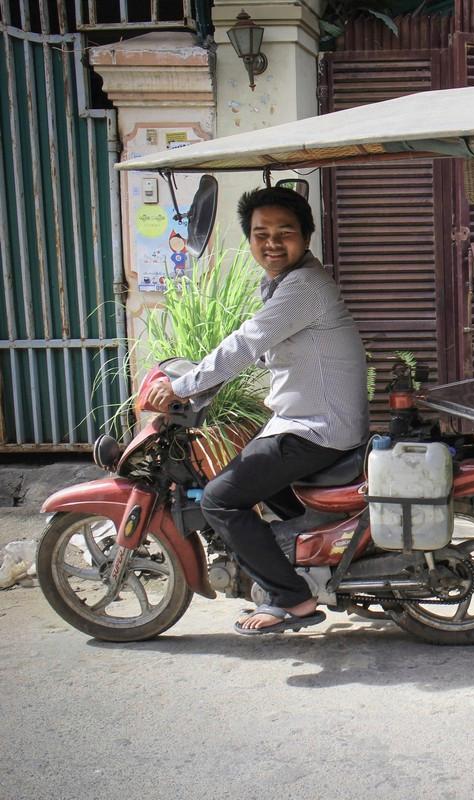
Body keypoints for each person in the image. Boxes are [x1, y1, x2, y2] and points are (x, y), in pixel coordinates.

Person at [145, 186, 369, 635]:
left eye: (284, 232)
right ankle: (302, 560)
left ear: (306, 236)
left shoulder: (303, 286)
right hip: (313, 421)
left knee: (220, 499)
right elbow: (265, 349)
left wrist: (181, 387)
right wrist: (206, 381)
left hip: (316, 429)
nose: (271, 242)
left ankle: (292, 598)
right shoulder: (288, 283)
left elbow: (246, 343)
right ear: (249, 239)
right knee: (252, 479)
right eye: (260, 233)